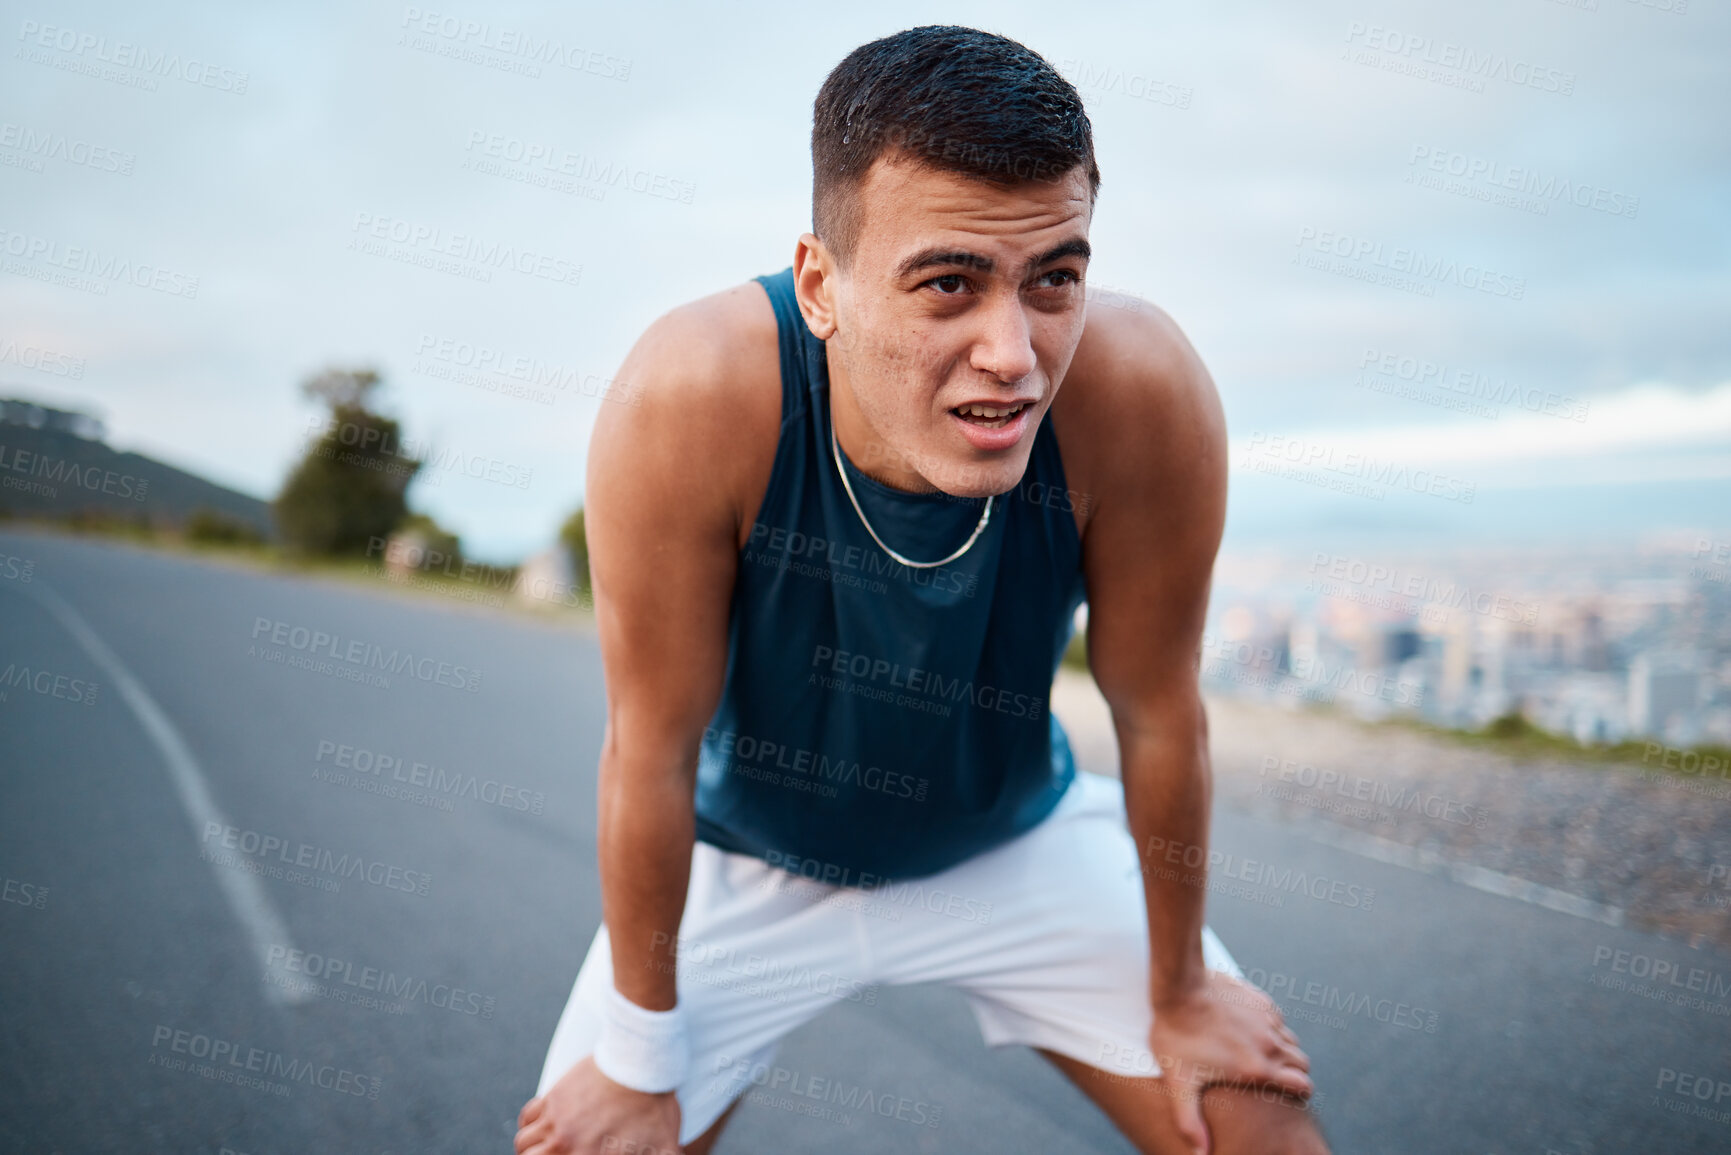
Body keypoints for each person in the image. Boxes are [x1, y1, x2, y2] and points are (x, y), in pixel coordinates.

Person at [516, 24, 1328, 1155]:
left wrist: (1183, 987)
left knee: (1261, 1129)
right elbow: (647, 748)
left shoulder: (1138, 394)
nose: (1014, 352)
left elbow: (1156, 709)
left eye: (1055, 279)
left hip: (1013, 842)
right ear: (821, 287)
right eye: (949, 283)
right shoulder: (692, 397)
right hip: (746, 857)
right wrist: (641, 1055)